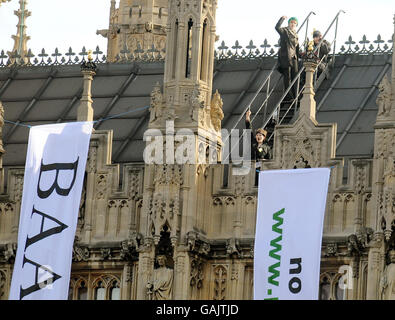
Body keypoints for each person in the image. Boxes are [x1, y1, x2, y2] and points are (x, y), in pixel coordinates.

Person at [275, 16, 300, 101]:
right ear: (289, 23)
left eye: (294, 23)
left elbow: (296, 47)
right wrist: (282, 19)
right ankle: (289, 96)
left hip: (294, 58)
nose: (293, 24)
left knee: (295, 76)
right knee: (288, 77)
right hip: (286, 57)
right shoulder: (285, 31)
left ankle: (296, 95)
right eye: (291, 22)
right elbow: (277, 27)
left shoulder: (296, 34)